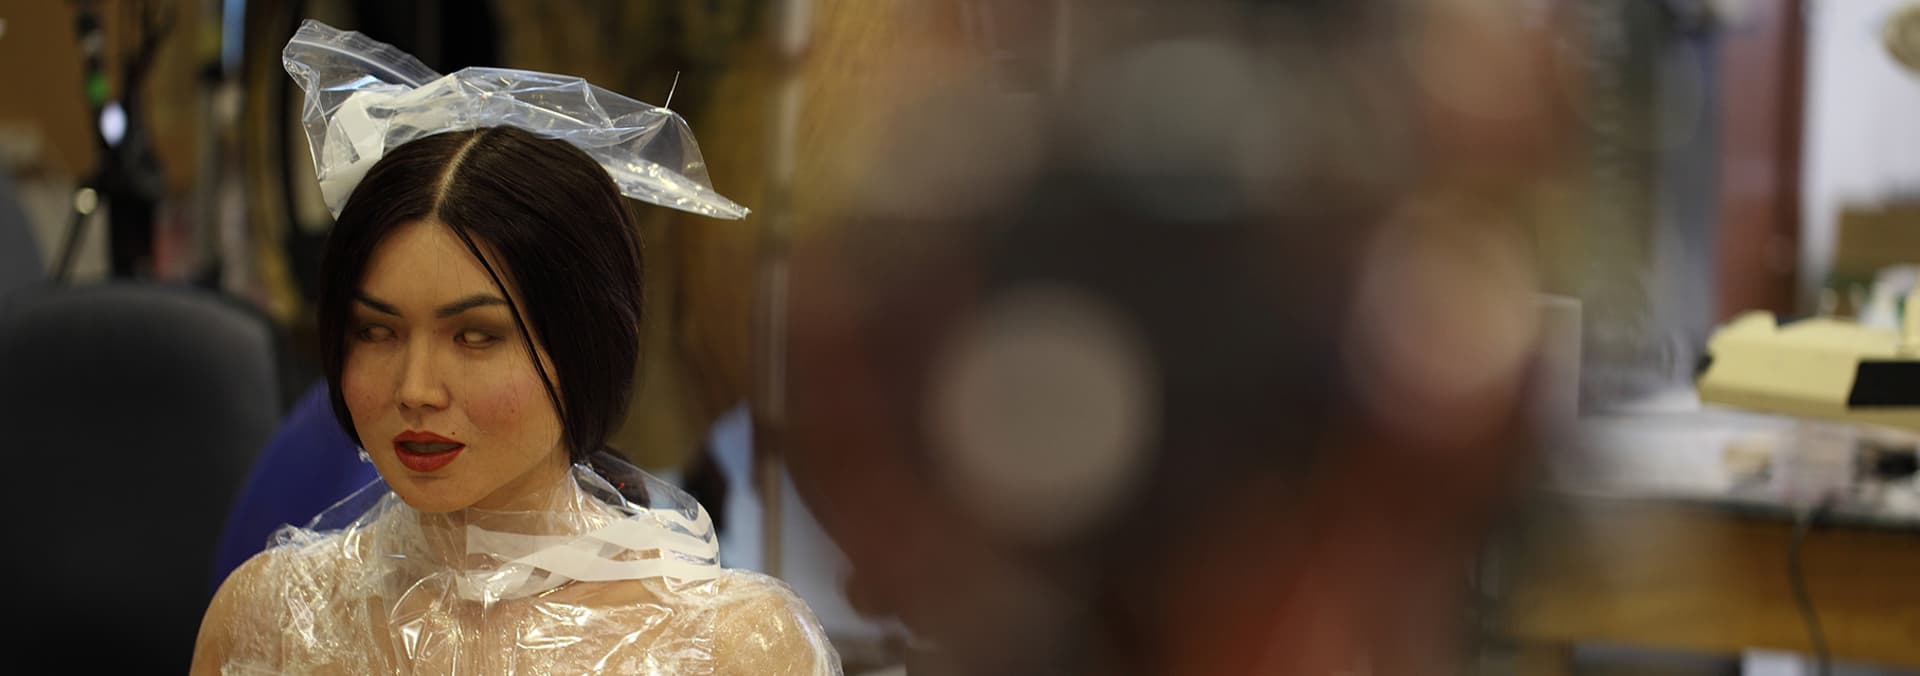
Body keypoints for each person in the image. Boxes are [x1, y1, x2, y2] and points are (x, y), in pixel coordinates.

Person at [191, 22, 837, 675]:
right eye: (377, 332)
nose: (415, 388)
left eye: (476, 337)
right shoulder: (271, 620)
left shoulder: (732, 648)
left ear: (586, 343)